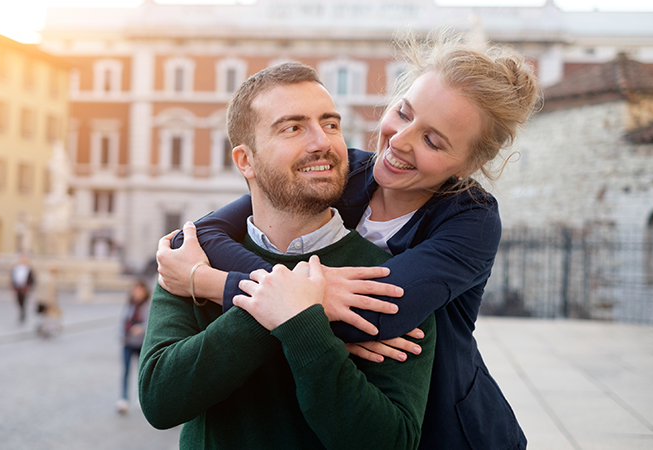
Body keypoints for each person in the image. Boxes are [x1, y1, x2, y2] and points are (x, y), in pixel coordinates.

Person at [157, 32, 541, 450]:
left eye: (432, 140)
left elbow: (373, 316)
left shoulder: (473, 219)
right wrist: (311, 297)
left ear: (471, 163)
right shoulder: (344, 170)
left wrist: (211, 283)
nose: (400, 140)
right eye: (404, 112)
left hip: (446, 427)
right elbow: (202, 233)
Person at [139, 62, 437, 449]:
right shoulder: (192, 259)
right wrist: (287, 310)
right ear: (246, 161)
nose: (323, 142)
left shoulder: (387, 278)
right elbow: (160, 400)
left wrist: (297, 322)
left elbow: (391, 443)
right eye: (293, 128)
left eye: (330, 124)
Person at [116, 279, 150, 415]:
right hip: (128, 342)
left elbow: (150, 324)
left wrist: (140, 329)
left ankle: (141, 398)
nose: (136, 292)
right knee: (125, 371)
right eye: (135, 289)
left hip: (141, 344)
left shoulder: (148, 306)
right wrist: (121, 335)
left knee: (141, 372)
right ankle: (123, 399)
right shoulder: (129, 305)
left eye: (139, 290)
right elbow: (123, 321)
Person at [10, 253, 36, 323]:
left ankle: (23, 314)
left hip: (24, 288)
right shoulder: (16, 268)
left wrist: (28, 287)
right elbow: (13, 278)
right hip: (17, 287)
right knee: (18, 301)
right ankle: (21, 312)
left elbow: (32, 279)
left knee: (24, 301)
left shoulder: (29, 269)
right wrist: (13, 286)